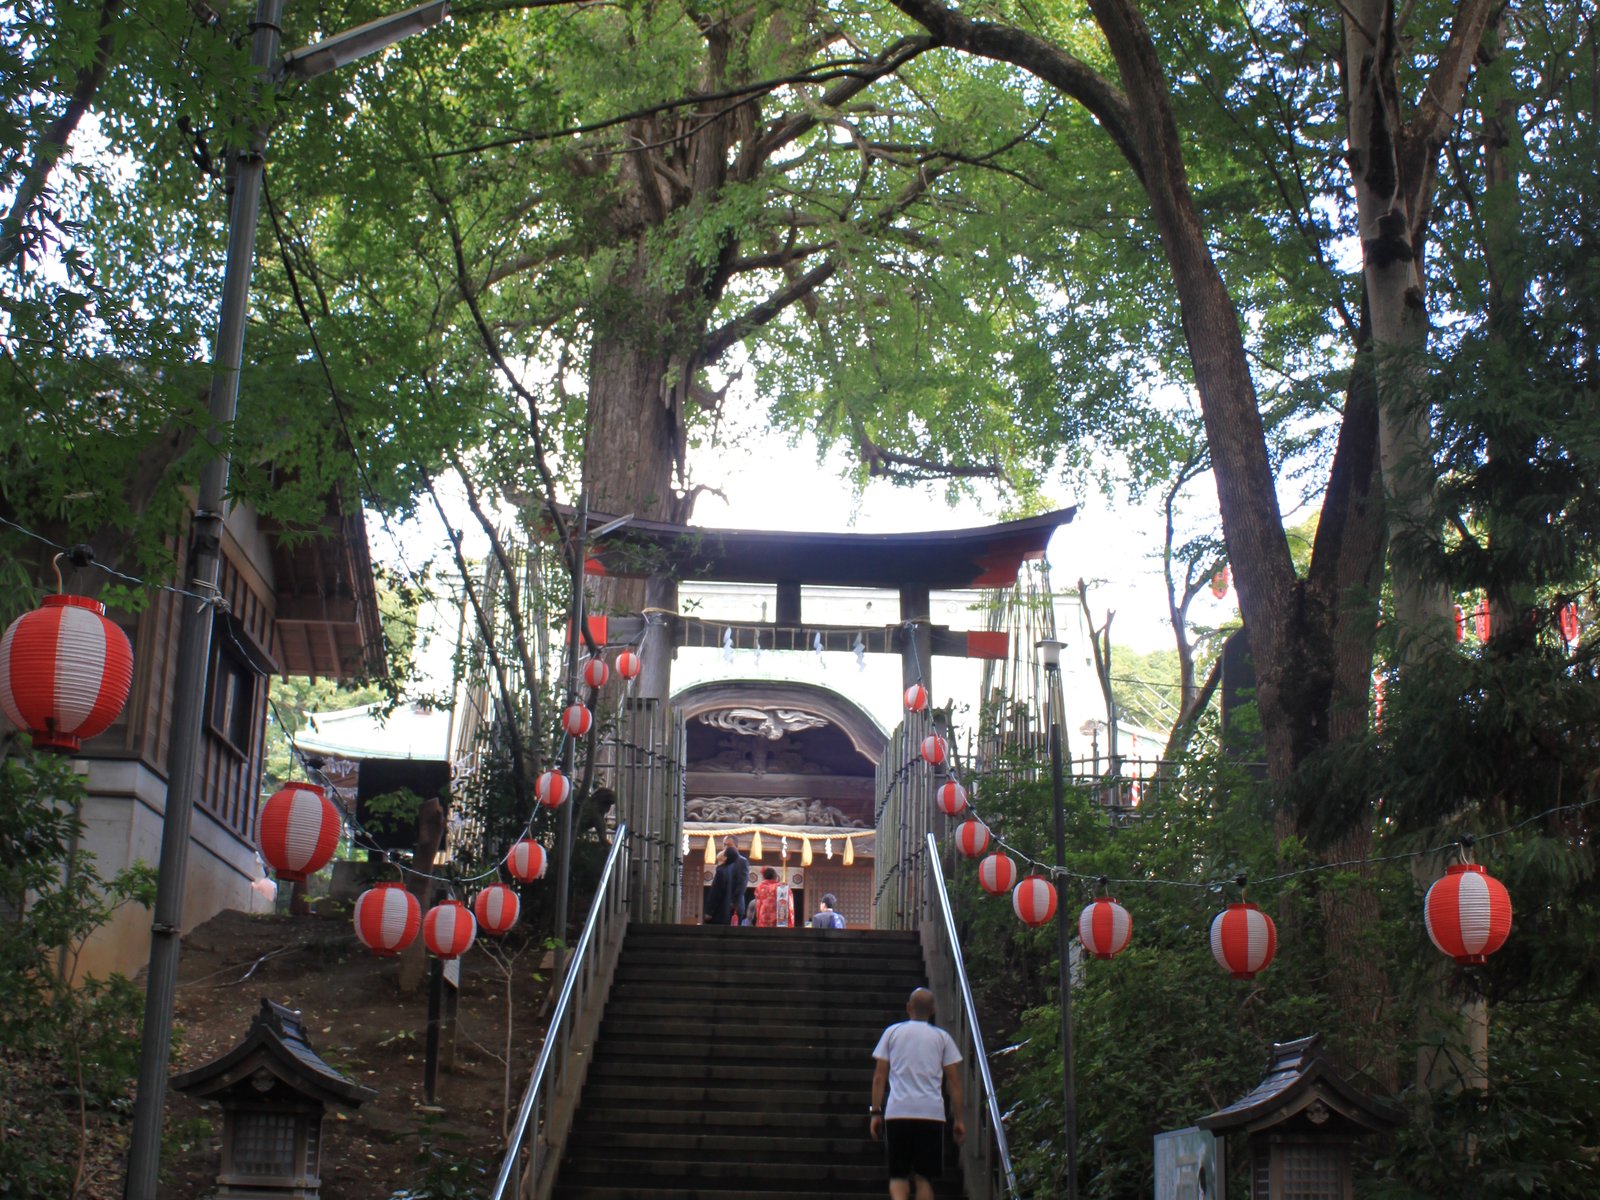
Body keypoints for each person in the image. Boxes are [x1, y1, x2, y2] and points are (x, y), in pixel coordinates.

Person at [869, 987, 965, 1200]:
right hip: (931, 1114)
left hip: (897, 1113)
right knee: (924, 1178)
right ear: (933, 1010)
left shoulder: (892, 1033)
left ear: (908, 1008)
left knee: (898, 1176)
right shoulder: (942, 1038)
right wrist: (959, 1119)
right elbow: (954, 1083)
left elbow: (879, 1076)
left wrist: (875, 1112)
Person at [704, 845, 739, 926]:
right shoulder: (731, 871)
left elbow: (716, 893)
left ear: (725, 857)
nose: (721, 851)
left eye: (724, 851)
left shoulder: (721, 872)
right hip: (725, 913)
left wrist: (709, 912)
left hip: (717, 914)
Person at [723, 836, 749, 924]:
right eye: (724, 845)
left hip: (735, 905)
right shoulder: (722, 860)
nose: (726, 847)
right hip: (722, 906)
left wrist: (733, 902)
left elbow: (742, 884)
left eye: (729, 845)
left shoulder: (742, 861)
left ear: (736, 846)